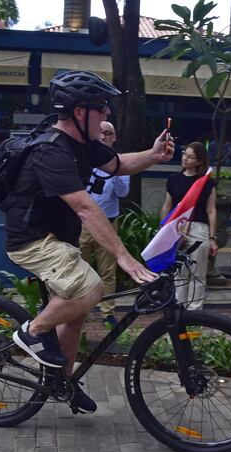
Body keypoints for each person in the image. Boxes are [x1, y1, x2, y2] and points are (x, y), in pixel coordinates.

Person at [6, 70, 173, 413]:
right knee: (90, 289)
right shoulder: (52, 151)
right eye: (102, 107)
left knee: (77, 311)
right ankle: (32, 331)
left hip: (58, 239)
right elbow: (84, 207)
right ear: (80, 113)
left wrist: (154, 155)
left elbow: (119, 164)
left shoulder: (82, 146)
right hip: (32, 241)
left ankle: (61, 382)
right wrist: (125, 257)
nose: (107, 113)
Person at [78, 121, 130, 326]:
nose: (103, 137)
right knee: (79, 268)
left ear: (114, 137)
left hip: (108, 224)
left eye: (108, 133)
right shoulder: (83, 159)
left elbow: (123, 193)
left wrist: (114, 169)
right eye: (100, 132)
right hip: (82, 223)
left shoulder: (121, 162)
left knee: (107, 271)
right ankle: (78, 310)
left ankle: (107, 312)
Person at [159, 142, 217, 310]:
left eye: (190, 156)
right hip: (177, 228)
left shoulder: (206, 183)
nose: (185, 158)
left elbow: (211, 210)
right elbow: (167, 205)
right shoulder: (174, 179)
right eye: (185, 154)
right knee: (179, 273)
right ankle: (178, 310)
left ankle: (195, 312)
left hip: (199, 228)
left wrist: (212, 238)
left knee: (197, 274)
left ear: (199, 161)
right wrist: (163, 230)